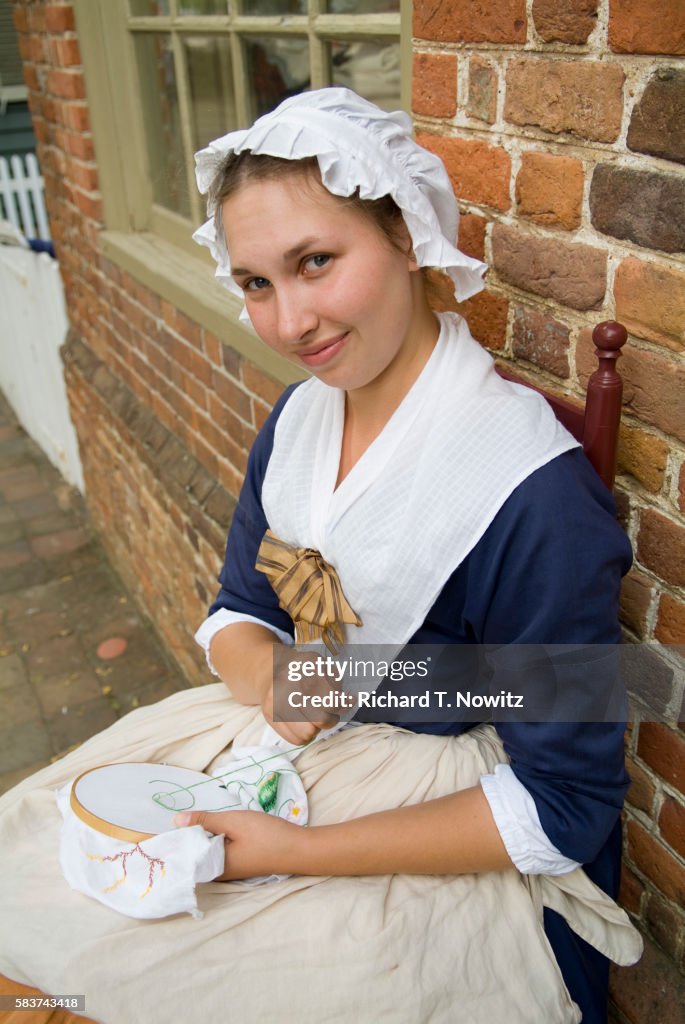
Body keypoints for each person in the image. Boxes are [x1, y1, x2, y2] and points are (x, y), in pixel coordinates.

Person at [0, 89, 641, 1024]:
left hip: (449, 810)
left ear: (407, 237)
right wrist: (278, 680)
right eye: (257, 283)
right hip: (299, 742)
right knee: (38, 877)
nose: (289, 322)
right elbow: (234, 613)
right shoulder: (300, 423)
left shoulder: (533, 498)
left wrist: (280, 852)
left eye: (315, 263)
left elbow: (565, 807)